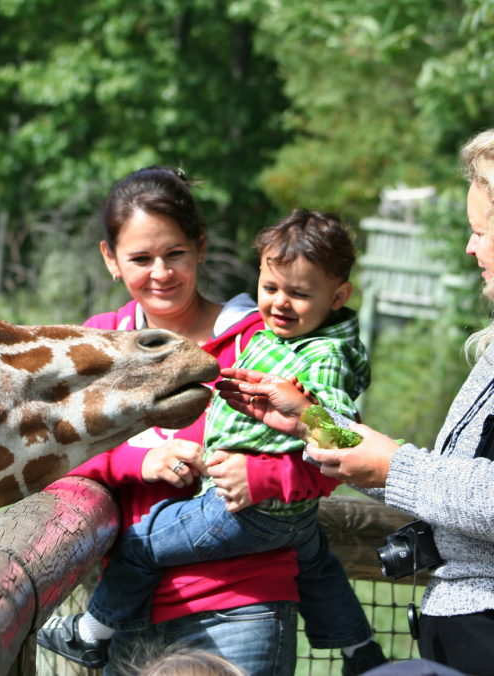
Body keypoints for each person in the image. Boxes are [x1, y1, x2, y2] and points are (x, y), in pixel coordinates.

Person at [36, 166, 355, 676]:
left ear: (201, 247)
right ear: (110, 259)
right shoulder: (96, 344)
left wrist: (265, 474)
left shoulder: (267, 337)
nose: (160, 272)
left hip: (241, 604)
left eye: (175, 254)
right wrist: (137, 462)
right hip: (129, 618)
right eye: (140, 258)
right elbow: (53, 450)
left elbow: (340, 447)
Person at [217, 129, 494, 676]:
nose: (469, 247)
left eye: (481, 231)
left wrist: (396, 465)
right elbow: (444, 477)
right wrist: (309, 422)